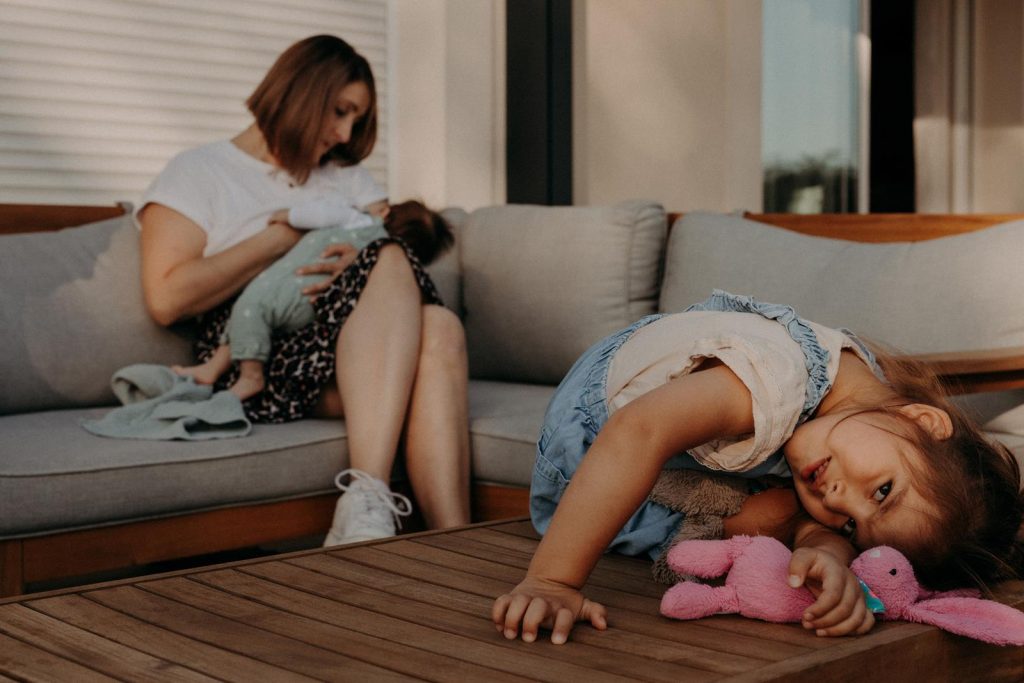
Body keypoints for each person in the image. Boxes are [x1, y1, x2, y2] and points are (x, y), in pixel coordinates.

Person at [492, 290, 1023, 645]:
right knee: (773, 518)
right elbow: (637, 431)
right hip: (594, 443)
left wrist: (826, 556)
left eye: (852, 525)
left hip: (672, 439)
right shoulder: (774, 382)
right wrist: (553, 580)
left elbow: (823, 517)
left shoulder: (860, 398)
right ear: (925, 421)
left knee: (785, 520)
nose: (839, 499)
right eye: (882, 491)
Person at [137, 34, 471, 547]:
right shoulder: (199, 172)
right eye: (340, 111)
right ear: (300, 92)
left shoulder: (349, 179)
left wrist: (359, 257)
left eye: (355, 120)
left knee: (437, 320)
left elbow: (397, 257)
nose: (343, 133)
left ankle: (455, 546)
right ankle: (371, 495)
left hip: (353, 352)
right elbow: (166, 298)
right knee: (393, 270)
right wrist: (285, 237)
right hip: (252, 354)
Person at [172, 198, 454, 401]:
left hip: (291, 292)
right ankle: (213, 368)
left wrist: (288, 215)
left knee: (248, 308)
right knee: (249, 314)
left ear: (384, 211)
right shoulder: (385, 264)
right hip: (311, 310)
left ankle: (250, 376)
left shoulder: (358, 219)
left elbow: (319, 213)